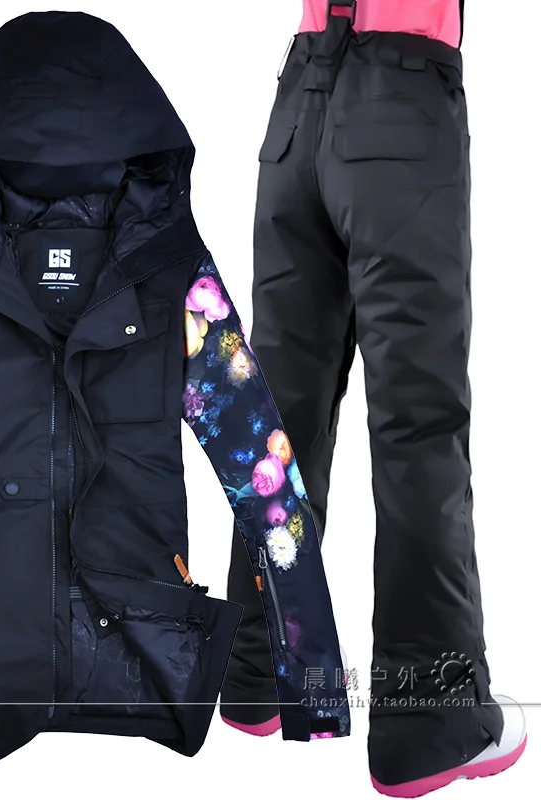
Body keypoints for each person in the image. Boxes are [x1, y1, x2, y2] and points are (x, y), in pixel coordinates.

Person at [219, 2, 527, 796]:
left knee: (280, 416)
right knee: (417, 422)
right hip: (400, 104)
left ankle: (257, 667)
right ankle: (433, 719)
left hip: (296, 111)